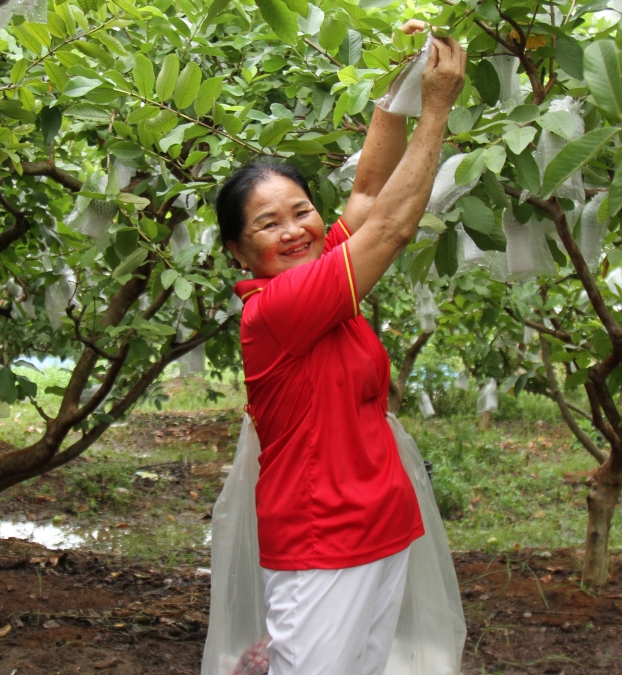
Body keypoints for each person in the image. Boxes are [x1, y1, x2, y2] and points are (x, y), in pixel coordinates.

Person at [211, 25, 467, 675]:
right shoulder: (276, 309)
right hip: (322, 541)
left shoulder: (316, 275)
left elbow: (369, 193)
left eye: (300, 211)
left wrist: (399, 82)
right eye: (268, 224)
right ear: (240, 253)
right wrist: (436, 107)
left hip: (380, 526)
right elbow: (394, 224)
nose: (295, 230)